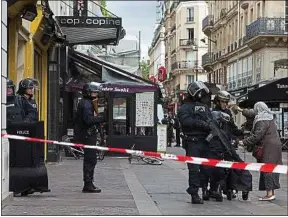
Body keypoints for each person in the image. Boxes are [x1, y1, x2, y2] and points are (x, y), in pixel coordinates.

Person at [178, 81, 212, 204]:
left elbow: (210, 120)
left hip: (206, 141)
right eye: (200, 93)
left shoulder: (205, 107)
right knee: (194, 170)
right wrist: (200, 123)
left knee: (206, 168)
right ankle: (194, 193)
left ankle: (204, 189)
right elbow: (185, 121)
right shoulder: (185, 107)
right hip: (193, 142)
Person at [242, 102, 282, 201]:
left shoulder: (261, 119)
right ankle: (271, 192)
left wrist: (244, 142)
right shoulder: (269, 117)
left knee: (267, 169)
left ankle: (269, 194)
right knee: (273, 169)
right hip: (275, 146)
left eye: (255, 109)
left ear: (258, 109)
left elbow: (257, 136)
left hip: (268, 147)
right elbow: (250, 113)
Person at [75, 82, 105, 193]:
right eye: (94, 92)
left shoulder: (88, 102)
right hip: (87, 135)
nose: (96, 94)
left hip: (88, 134)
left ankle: (89, 182)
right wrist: (101, 118)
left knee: (91, 159)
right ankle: (88, 184)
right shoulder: (86, 104)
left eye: (96, 92)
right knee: (90, 160)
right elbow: (88, 119)